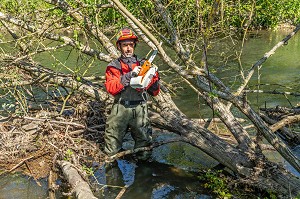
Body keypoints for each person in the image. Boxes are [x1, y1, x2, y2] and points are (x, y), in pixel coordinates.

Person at [103, 27, 160, 161]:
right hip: (120, 109)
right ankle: (112, 174)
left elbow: (155, 92)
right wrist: (129, 76)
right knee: (111, 145)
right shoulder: (113, 66)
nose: (128, 48)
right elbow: (111, 88)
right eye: (124, 45)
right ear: (119, 47)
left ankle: (143, 176)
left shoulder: (144, 64)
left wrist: (153, 77)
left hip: (140, 109)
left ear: (134, 45)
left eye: (130, 45)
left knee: (145, 145)